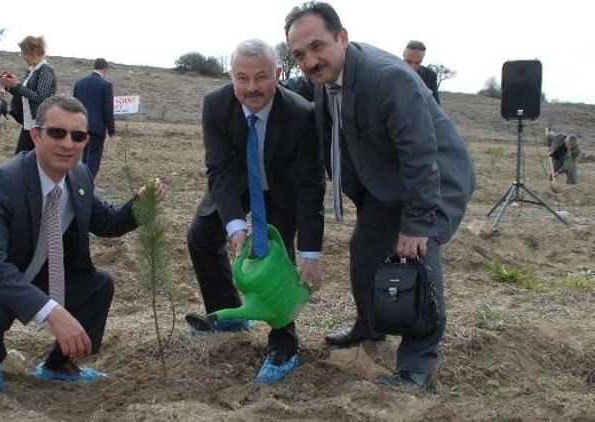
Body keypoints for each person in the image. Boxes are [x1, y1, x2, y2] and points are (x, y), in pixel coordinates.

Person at [286, 2, 474, 389]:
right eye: (299, 54)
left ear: (343, 37)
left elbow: (421, 155)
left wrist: (419, 223)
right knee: (366, 253)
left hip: (432, 181)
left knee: (416, 266)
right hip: (387, 185)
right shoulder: (329, 79)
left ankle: (416, 366)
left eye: (317, 46)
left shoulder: (388, 79)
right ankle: (370, 325)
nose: (309, 61)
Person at [0, 96, 166, 391]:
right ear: (36, 134)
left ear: (86, 141)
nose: (68, 143)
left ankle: (58, 366)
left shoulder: (79, 175)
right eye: (57, 132)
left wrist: (139, 204)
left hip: (31, 272)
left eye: (78, 136)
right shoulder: (0, 181)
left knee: (100, 285)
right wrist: (52, 312)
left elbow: (107, 223)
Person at [184, 39, 325, 384]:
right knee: (201, 236)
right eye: (242, 78)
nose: (252, 88)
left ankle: (284, 344)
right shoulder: (215, 105)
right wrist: (236, 227)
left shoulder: (301, 114)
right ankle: (231, 316)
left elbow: (310, 186)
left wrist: (311, 251)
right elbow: (218, 169)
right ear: (230, 75)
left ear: (278, 73)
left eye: (262, 77)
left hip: (283, 188)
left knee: (275, 256)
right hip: (237, 182)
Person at [0, 35, 57, 154]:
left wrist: (18, 85)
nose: (23, 56)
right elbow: (24, 94)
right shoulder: (33, 71)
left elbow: (41, 97)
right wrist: (9, 85)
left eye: (24, 52)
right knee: (25, 159)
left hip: (39, 123)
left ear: (34, 52)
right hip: (30, 123)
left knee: (23, 159)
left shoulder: (45, 70)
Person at [73, 58, 115, 179]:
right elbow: (108, 109)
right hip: (97, 128)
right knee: (93, 161)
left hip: (81, 126)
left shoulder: (79, 83)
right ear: (105, 69)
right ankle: (85, 185)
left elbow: (75, 105)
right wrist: (111, 130)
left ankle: (79, 182)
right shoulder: (106, 85)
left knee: (84, 157)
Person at [402, 40, 440, 105]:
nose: (412, 68)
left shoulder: (430, 76)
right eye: (408, 62)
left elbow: (437, 107)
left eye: (417, 63)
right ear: (403, 54)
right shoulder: (389, 73)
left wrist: (429, 98)